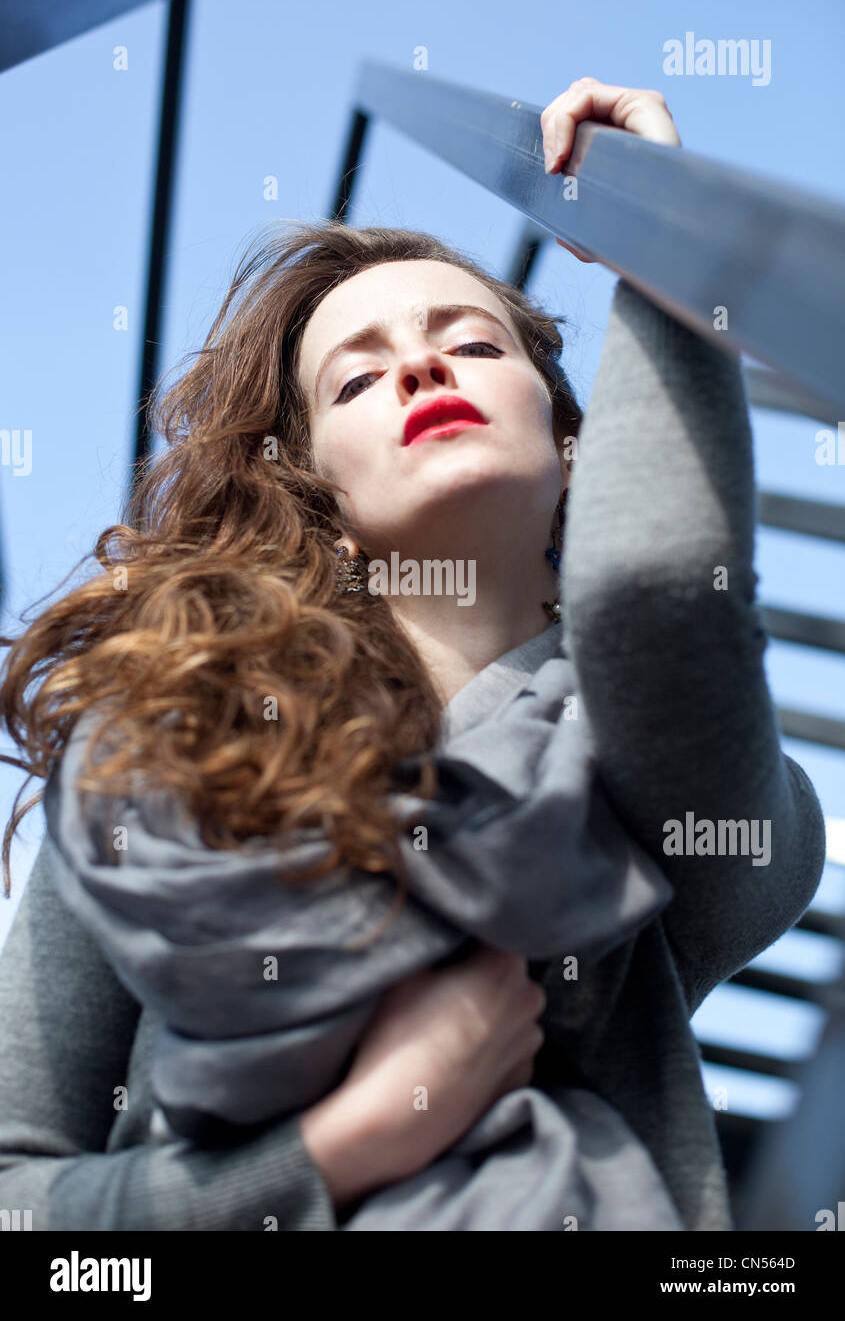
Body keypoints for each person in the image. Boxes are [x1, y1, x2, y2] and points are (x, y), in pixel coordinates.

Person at [0, 80, 827, 1231]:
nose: (418, 370)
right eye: (354, 374)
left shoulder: (698, 794)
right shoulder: (161, 757)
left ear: (574, 448)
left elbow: (658, 597)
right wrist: (342, 1146)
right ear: (315, 493)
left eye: (472, 342)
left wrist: (653, 221)